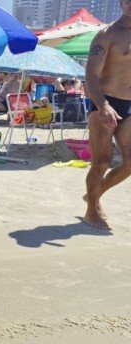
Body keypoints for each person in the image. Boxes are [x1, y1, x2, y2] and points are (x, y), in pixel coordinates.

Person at [83, 1, 131, 231]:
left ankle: (93, 194)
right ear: (121, 3)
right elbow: (90, 73)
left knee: (130, 162)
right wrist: (102, 105)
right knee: (102, 160)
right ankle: (92, 209)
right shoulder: (107, 34)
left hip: (129, 104)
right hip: (105, 101)